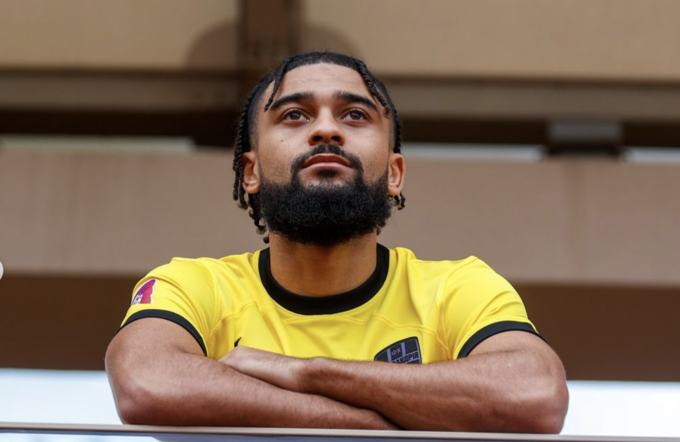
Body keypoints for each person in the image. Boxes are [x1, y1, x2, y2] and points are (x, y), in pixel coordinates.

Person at [106, 51, 568, 432]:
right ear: (250, 172)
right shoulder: (193, 284)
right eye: (293, 115)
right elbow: (148, 384)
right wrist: (379, 424)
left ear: (394, 174)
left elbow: (535, 394)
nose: (326, 130)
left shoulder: (460, 287)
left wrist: (305, 371)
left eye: (354, 115)